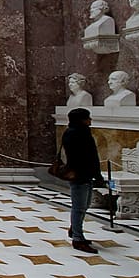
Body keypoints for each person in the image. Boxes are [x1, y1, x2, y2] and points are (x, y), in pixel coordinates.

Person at [61, 108, 106, 254]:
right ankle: (78, 239)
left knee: (84, 205)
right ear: (81, 119)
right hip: (80, 174)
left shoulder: (80, 132)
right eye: (87, 118)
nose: (90, 120)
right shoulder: (75, 133)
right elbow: (85, 156)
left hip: (86, 174)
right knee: (79, 207)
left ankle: (75, 230)